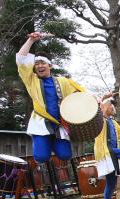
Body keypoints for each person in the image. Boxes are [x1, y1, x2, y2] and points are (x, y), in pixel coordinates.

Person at [16, 31, 85, 164]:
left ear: (50, 65)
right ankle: (43, 144)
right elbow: (21, 59)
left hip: (59, 124)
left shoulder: (63, 81)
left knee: (65, 155)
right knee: (41, 157)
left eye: (43, 63)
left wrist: (99, 99)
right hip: (41, 123)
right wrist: (30, 41)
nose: (40, 66)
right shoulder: (32, 80)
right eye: (37, 63)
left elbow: (80, 93)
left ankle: (51, 142)